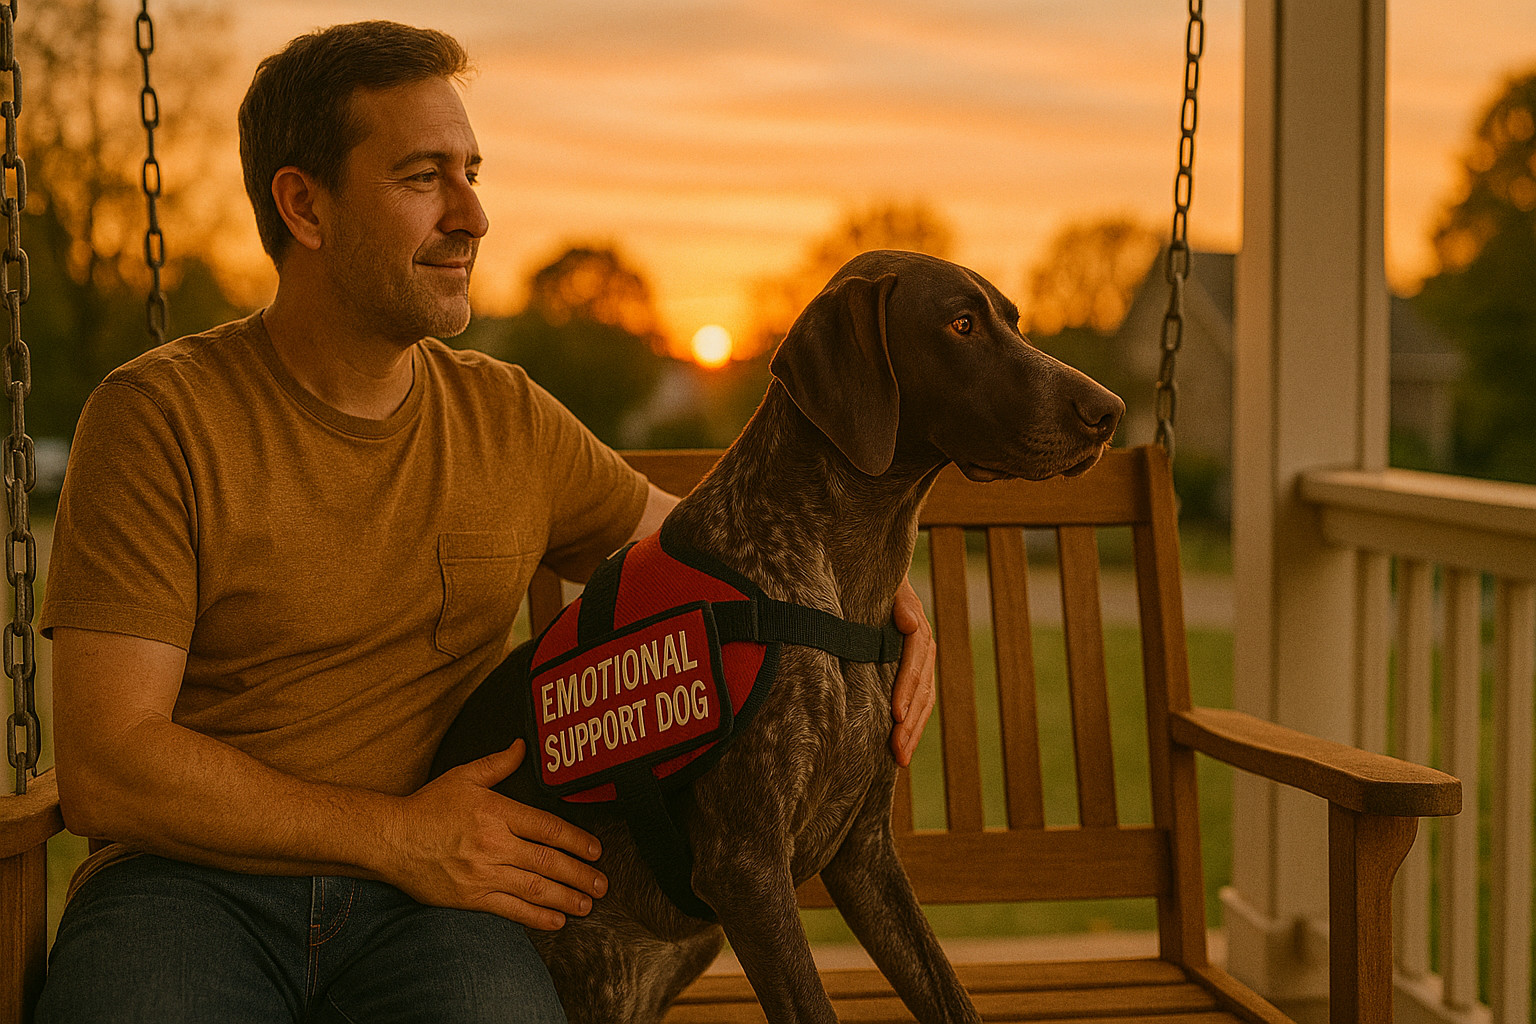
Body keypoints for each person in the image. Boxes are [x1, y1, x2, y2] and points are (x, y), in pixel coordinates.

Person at [34, 20, 936, 1024]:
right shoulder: (160, 417)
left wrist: (879, 602)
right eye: (424, 177)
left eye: (471, 172)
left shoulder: (504, 417)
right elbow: (110, 767)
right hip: (191, 887)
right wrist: (400, 835)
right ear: (305, 204)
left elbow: (717, 559)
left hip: (439, 905)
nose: (472, 214)